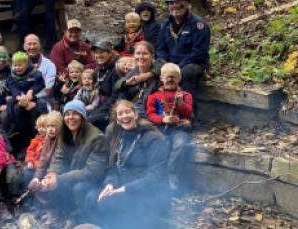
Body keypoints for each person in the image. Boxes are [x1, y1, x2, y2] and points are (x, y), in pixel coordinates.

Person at [85, 100, 170, 229]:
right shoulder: (121, 138)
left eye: (127, 112)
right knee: (91, 198)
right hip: (125, 188)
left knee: (108, 203)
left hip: (150, 194)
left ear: (135, 114)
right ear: (117, 120)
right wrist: (110, 184)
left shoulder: (153, 139)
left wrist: (125, 189)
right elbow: (114, 167)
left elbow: (156, 176)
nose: (124, 116)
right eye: (120, 114)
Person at [41, 100, 108, 223]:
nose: (70, 117)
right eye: (67, 114)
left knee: (79, 188)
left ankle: (88, 221)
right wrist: (52, 174)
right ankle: (67, 216)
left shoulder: (97, 138)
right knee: (50, 181)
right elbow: (59, 159)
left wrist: (60, 178)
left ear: (82, 116)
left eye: (75, 114)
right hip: (73, 174)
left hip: (96, 180)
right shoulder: (64, 134)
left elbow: (92, 172)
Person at [146, 63, 194, 191]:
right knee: (161, 145)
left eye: (174, 76)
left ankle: (172, 178)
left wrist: (181, 104)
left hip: (178, 129)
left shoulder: (185, 95)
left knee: (180, 145)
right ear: (161, 78)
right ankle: (155, 178)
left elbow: (189, 113)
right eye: (167, 76)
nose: (170, 79)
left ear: (179, 78)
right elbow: (150, 114)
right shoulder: (154, 96)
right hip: (160, 128)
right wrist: (162, 119)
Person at [156, 0, 210, 97]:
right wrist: (165, 65)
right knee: (155, 70)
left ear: (187, 4)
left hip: (193, 64)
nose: (175, 6)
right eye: (171, 3)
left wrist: (178, 68)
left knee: (186, 73)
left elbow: (199, 52)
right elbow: (161, 49)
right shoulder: (165, 25)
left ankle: (188, 109)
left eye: (179, 3)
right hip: (171, 63)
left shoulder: (198, 25)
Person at [6, 51, 45, 154]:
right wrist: (21, 99)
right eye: (15, 65)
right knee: (17, 109)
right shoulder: (12, 75)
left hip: (34, 98)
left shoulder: (35, 73)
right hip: (19, 100)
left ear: (26, 64)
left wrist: (31, 92)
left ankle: (37, 141)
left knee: (36, 110)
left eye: (20, 65)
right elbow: (13, 88)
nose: (17, 67)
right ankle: (24, 144)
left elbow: (40, 85)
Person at [114, 41, 163, 118]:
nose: (141, 57)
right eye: (138, 53)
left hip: (151, 113)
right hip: (131, 112)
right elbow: (117, 85)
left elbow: (165, 65)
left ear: (152, 56)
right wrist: (127, 83)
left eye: (145, 53)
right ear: (133, 55)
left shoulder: (160, 69)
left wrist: (149, 74)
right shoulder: (133, 72)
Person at [87, 40, 121, 131]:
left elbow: (115, 97)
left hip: (111, 107)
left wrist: (99, 110)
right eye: (96, 53)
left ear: (110, 53)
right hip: (98, 104)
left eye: (102, 52)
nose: (98, 55)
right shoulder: (98, 70)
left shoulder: (116, 70)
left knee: (89, 121)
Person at [24, 34, 56, 112]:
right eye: (29, 44)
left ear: (40, 46)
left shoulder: (49, 65)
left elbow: (47, 88)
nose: (32, 47)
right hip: (22, 99)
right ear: (24, 46)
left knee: (40, 104)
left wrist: (33, 96)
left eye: (35, 44)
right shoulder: (17, 64)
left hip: (43, 99)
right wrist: (24, 99)